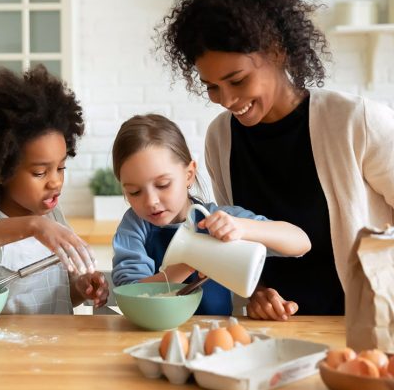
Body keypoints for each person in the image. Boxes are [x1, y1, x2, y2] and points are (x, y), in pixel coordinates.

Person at [156, 0, 394, 319]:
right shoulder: (220, 137)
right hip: (276, 335)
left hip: (363, 333)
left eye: (237, 81)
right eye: (212, 87)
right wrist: (256, 293)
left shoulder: (354, 122)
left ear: (277, 52)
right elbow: (240, 241)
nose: (226, 99)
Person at [0, 65, 108, 314]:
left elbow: (57, 295)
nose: (55, 182)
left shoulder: (54, 219)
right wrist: (33, 226)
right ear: (0, 171)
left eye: (61, 168)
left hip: (52, 349)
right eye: (40, 172)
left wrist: (81, 288)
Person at [111, 114, 310, 315]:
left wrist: (243, 228)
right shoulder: (134, 226)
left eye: (163, 185)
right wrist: (189, 263)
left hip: (214, 335)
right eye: (134, 192)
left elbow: (301, 242)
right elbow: (131, 293)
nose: (150, 201)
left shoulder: (217, 219)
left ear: (189, 175)